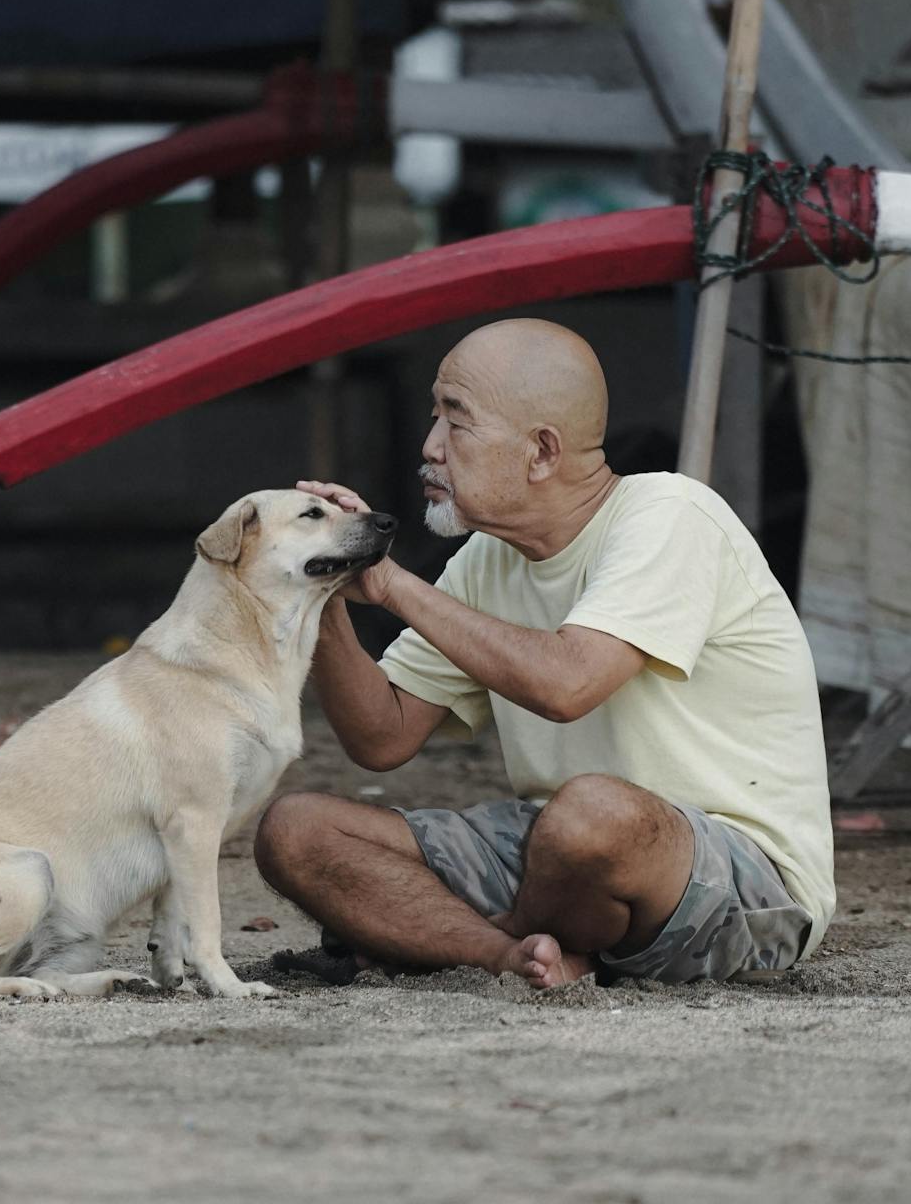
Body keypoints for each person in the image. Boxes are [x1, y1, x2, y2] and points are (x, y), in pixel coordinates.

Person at [257, 317, 833, 988]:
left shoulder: (672, 514)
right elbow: (380, 738)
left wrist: (389, 585)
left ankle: (494, 937)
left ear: (541, 452)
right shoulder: (486, 561)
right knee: (296, 831)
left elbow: (568, 684)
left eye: (456, 422)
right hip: (557, 858)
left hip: (740, 879)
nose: (430, 447)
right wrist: (321, 587)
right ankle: (517, 957)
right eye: (434, 418)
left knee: (593, 816)